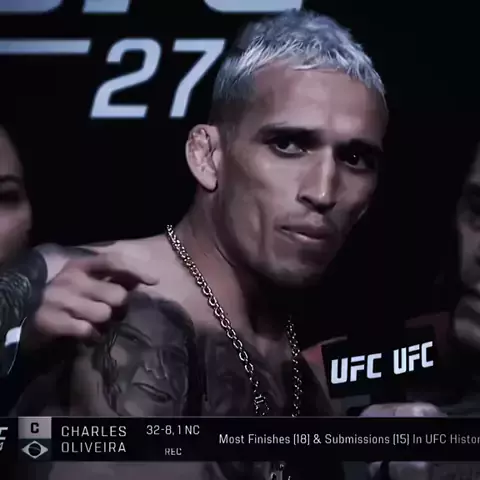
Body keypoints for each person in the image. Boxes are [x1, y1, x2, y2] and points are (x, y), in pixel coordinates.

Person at [4, 9, 393, 480]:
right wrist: (17, 336)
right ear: (207, 156)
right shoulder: (86, 291)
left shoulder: (308, 376)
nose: (324, 191)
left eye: (355, 158)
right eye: (288, 145)